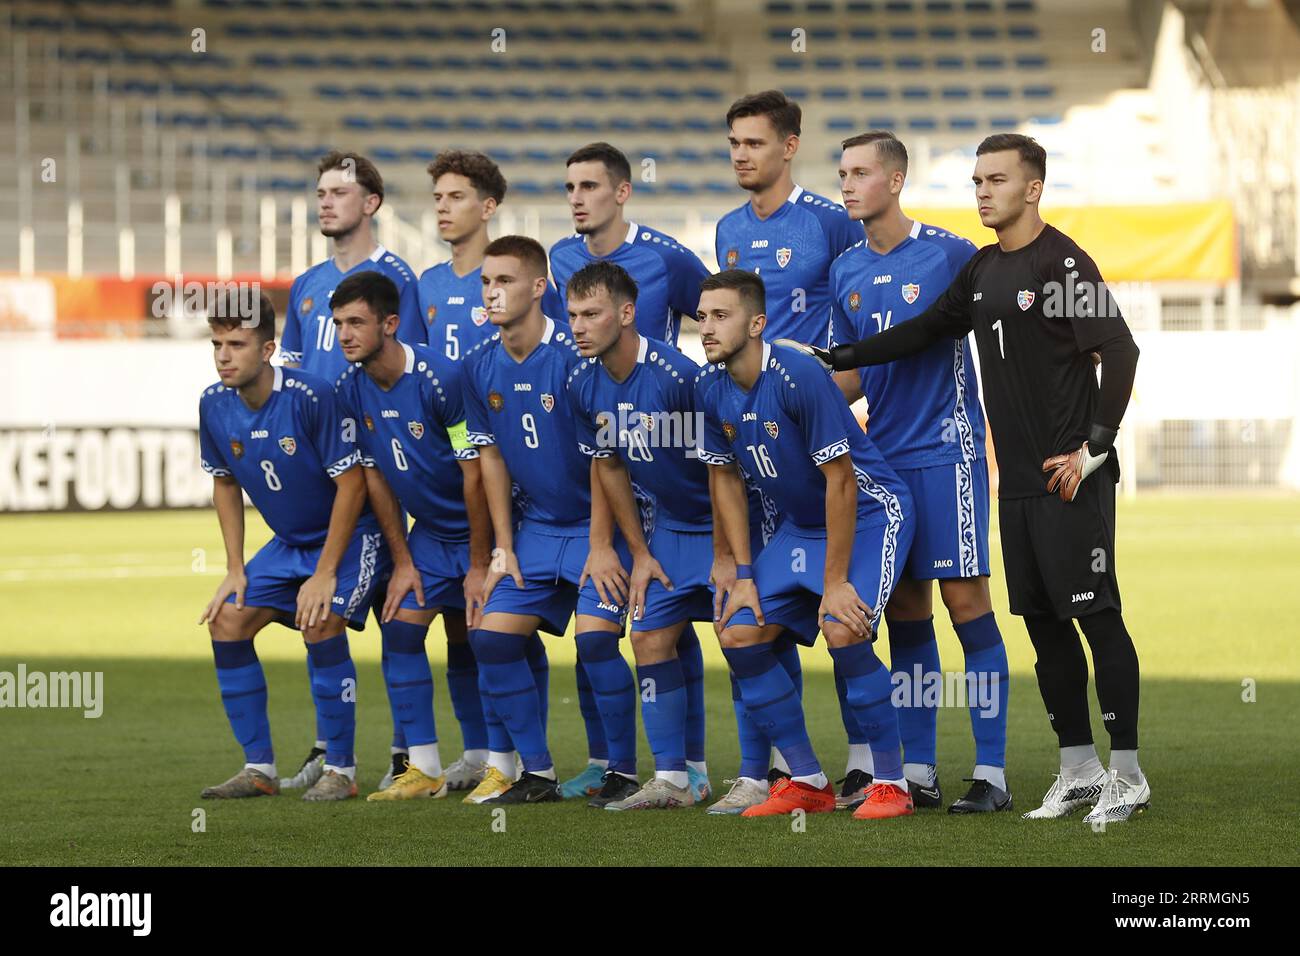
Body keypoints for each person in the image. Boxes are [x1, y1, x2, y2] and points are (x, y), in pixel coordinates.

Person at [783, 134, 1148, 825]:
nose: (982, 190)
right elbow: (919, 332)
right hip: (1010, 484)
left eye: (997, 179)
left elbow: (1121, 349)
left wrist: (1094, 449)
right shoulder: (980, 270)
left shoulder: (1058, 260)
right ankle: (1075, 769)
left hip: (1050, 475)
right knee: (1036, 623)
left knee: (1090, 617)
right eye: (977, 179)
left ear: (1033, 187)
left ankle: (1120, 772)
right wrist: (833, 356)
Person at [827, 131, 1012, 813]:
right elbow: (851, 375)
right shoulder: (844, 270)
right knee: (907, 616)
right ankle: (921, 769)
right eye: (841, 173)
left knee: (967, 608)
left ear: (896, 180)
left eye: (860, 173)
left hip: (948, 452)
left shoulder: (949, 252)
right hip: (886, 463)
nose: (847, 185)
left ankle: (992, 772)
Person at [695, 270, 917, 820]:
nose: (706, 327)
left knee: (843, 628)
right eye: (701, 316)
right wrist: (735, 566)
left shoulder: (796, 374)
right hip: (799, 528)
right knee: (736, 629)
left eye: (720, 315)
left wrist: (834, 583)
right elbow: (723, 477)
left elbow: (842, 481)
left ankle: (893, 783)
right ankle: (808, 779)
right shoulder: (709, 387)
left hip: (868, 514)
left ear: (757, 323)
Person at [460, 236, 636, 806]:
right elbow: (488, 456)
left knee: (595, 643)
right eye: (487, 282)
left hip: (597, 524)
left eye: (505, 281)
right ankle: (535, 774)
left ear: (539, 288)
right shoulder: (478, 367)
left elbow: (605, 461)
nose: (492, 292)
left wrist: (603, 544)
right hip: (535, 530)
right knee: (489, 638)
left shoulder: (576, 357)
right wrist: (502, 548)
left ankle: (622, 771)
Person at [198, 292, 387, 802]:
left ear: (268, 349)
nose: (223, 355)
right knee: (227, 620)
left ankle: (341, 771)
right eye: (217, 343)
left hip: (350, 537)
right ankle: (258, 769)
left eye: (236, 343)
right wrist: (235, 568)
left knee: (319, 620)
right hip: (288, 544)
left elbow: (353, 486)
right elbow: (224, 483)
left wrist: (324, 573)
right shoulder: (213, 403)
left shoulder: (311, 396)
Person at [331, 271, 494, 800]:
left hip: (482, 529)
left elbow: (474, 473)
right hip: (427, 536)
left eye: (357, 322)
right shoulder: (350, 387)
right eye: (338, 324)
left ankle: (497, 761)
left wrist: (476, 563)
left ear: (391, 323)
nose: (345, 334)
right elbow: (376, 476)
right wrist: (401, 560)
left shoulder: (442, 378)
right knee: (399, 628)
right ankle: (422, 769)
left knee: (481, 637)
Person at [566, 261, 716, 809]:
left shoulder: (678, 377)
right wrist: (637, 550)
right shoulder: (583, 383)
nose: (579, 326)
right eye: (573, 315)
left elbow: (725, 467)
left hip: (725, 521)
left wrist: (731, 553)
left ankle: (772, 772)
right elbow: (608, 467)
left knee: (748, 638)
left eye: (592, 314)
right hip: (668, 528)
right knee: (649, 638)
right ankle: (675, 779)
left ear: (627, 314)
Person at [714, 90, 859, 347]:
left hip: (809, 385)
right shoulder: (727, 228)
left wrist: (843, 381)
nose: (739, 156)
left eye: (754, 144)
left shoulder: (830, 222)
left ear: (789, 147)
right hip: (745, 386)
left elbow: (863, 310)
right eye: (734, 143)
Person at [550, 141, 710, 348]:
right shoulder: (561, 256)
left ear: (622, 192)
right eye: (571, 188)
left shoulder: (666, 259)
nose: (575, 199)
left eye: (589, 186)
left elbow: (724, 318)